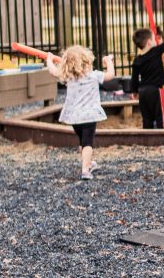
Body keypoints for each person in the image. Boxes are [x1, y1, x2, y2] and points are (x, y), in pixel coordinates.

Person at [45, 44, 113, 179]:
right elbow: (110, 75)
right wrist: (108, 61)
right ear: (87, 62)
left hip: (74, 118)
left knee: (83, 141)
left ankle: (88, 163)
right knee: (88, 143)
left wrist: (49, 59)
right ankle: (85, 170)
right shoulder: (94, 76)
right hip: (89, 116)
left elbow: (53, 71)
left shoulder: (69, 77)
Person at [130, 26, 164, 129]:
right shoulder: (156, 52)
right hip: (156, 90)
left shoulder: (137, 61)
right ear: (149, 42)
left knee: (147, 118)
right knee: (161, 117)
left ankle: (148, 141)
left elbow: (134, 79)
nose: (156, 41)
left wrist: (135, 91)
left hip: (143, 92)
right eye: (154, 39)